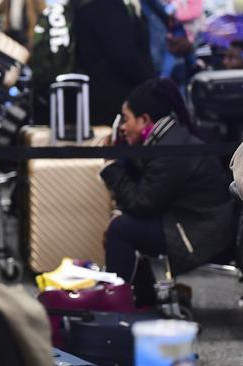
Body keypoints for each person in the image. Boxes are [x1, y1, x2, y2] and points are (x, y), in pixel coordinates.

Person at [100, 78, 235, 306]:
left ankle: (117, 306)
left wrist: (111, 167)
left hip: (200, 233)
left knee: (121, 229)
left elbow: (142, 203)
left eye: (126, 119)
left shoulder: (171, 151)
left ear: (144, 120)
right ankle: (143, 301)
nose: (122, 127)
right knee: (123, 223)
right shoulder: (170, 140)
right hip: (194, 223)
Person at [74, 0, 155, 125]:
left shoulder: (85, 6)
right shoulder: (107, 7)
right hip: (115, 104)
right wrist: (151, 83)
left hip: (96, 99)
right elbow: (123, 55)